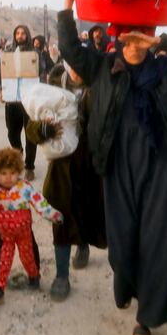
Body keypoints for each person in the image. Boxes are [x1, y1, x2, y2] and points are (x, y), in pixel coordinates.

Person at [58, 0, 167, 335]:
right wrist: (67, 6)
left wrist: (159, 43)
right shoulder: (104, 67)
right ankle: (131, 289)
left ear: (148, 37)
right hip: (119, 165)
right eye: (125, 39)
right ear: (116, 39)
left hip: (163, 167)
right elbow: (69, 50)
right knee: (123, 241)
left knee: (158, 240)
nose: (132, 45)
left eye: (138, 39)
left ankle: (146, 318)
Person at [25, 63, 107, 301]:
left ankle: (82, 244)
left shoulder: (99, 88)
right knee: (60, 217)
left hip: (91, 166)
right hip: (62, 169)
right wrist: (43, 129)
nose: (76, 71)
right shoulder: (51, 91)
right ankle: (62, 275)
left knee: (86, 211)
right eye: (72, 65)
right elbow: (31, 127)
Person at [0, 147, 62, 306]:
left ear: (19, 171)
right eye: (3, 173)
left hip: (24, 234)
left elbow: (40, 203)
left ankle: (34, 277)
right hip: (6, 236)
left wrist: (54, 215)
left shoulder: (24, 188)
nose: (8, 178)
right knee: (4, 260)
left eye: (12, 173)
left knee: (28, 257)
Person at [3, 24, 39, 180]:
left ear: (28, 35)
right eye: (17, 33)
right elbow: (1, 72)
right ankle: (19, 153)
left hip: (29, 99)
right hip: (12, 99)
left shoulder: (35, 53)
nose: (20, 36)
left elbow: (42, 70)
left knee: (30, 134)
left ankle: (29, 166)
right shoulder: (8, 52)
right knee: (12, 133)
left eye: (23, 33)